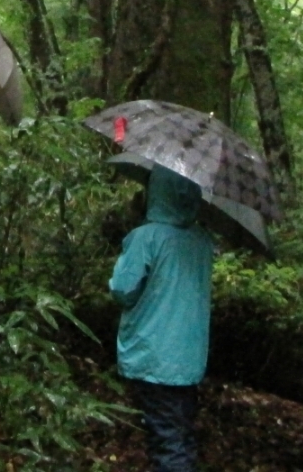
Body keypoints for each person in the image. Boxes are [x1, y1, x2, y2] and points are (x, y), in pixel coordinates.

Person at [109, 164, 215, 472]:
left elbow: (123, 290)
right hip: (188, 357)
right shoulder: (202, 240)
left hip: (154, 353)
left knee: (167, 441)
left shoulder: (147, 237)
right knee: (179, 432)